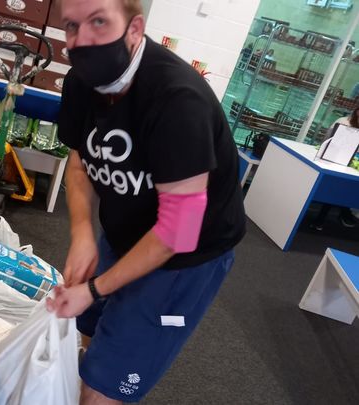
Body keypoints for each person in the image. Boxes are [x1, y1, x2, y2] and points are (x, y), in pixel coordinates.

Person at [46, 0, 246, 403]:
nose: (82, 40)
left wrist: (98, 288)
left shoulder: (177, 101)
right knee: (86, 330)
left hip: (186, 257)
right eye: (71, 26)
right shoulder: (80, 82)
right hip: (124, 229)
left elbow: (178, 231)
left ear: (135, 28)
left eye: (99, 22)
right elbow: (80, 162)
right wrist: (83, 232)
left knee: (104, 387)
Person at [311, 105, 359, 230]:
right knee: (338, 185)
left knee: (345, 185)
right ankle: (342, 212)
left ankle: (343, 212)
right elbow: (326, 140)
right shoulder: (343, 122)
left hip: (352, 164)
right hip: (332, 159)